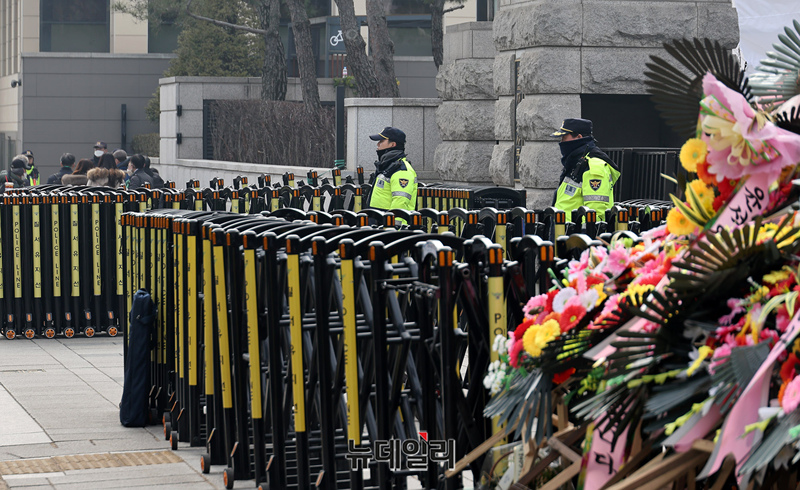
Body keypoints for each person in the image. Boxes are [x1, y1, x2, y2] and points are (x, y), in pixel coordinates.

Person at [550, 118, 620, 216]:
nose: (561, 142)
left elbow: (595, 212)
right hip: (564, 225)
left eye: (564, 137)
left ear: (579, 137)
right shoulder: (575, 162)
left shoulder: (594, 166)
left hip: (576, 226)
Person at [367, 126, 418, 225]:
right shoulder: (387, 166)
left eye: (381, 141)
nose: (378, 144)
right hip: (380, 224)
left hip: (390, 227)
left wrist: (393, 227)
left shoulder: (401, 170)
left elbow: (400, 201)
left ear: (393, 144)